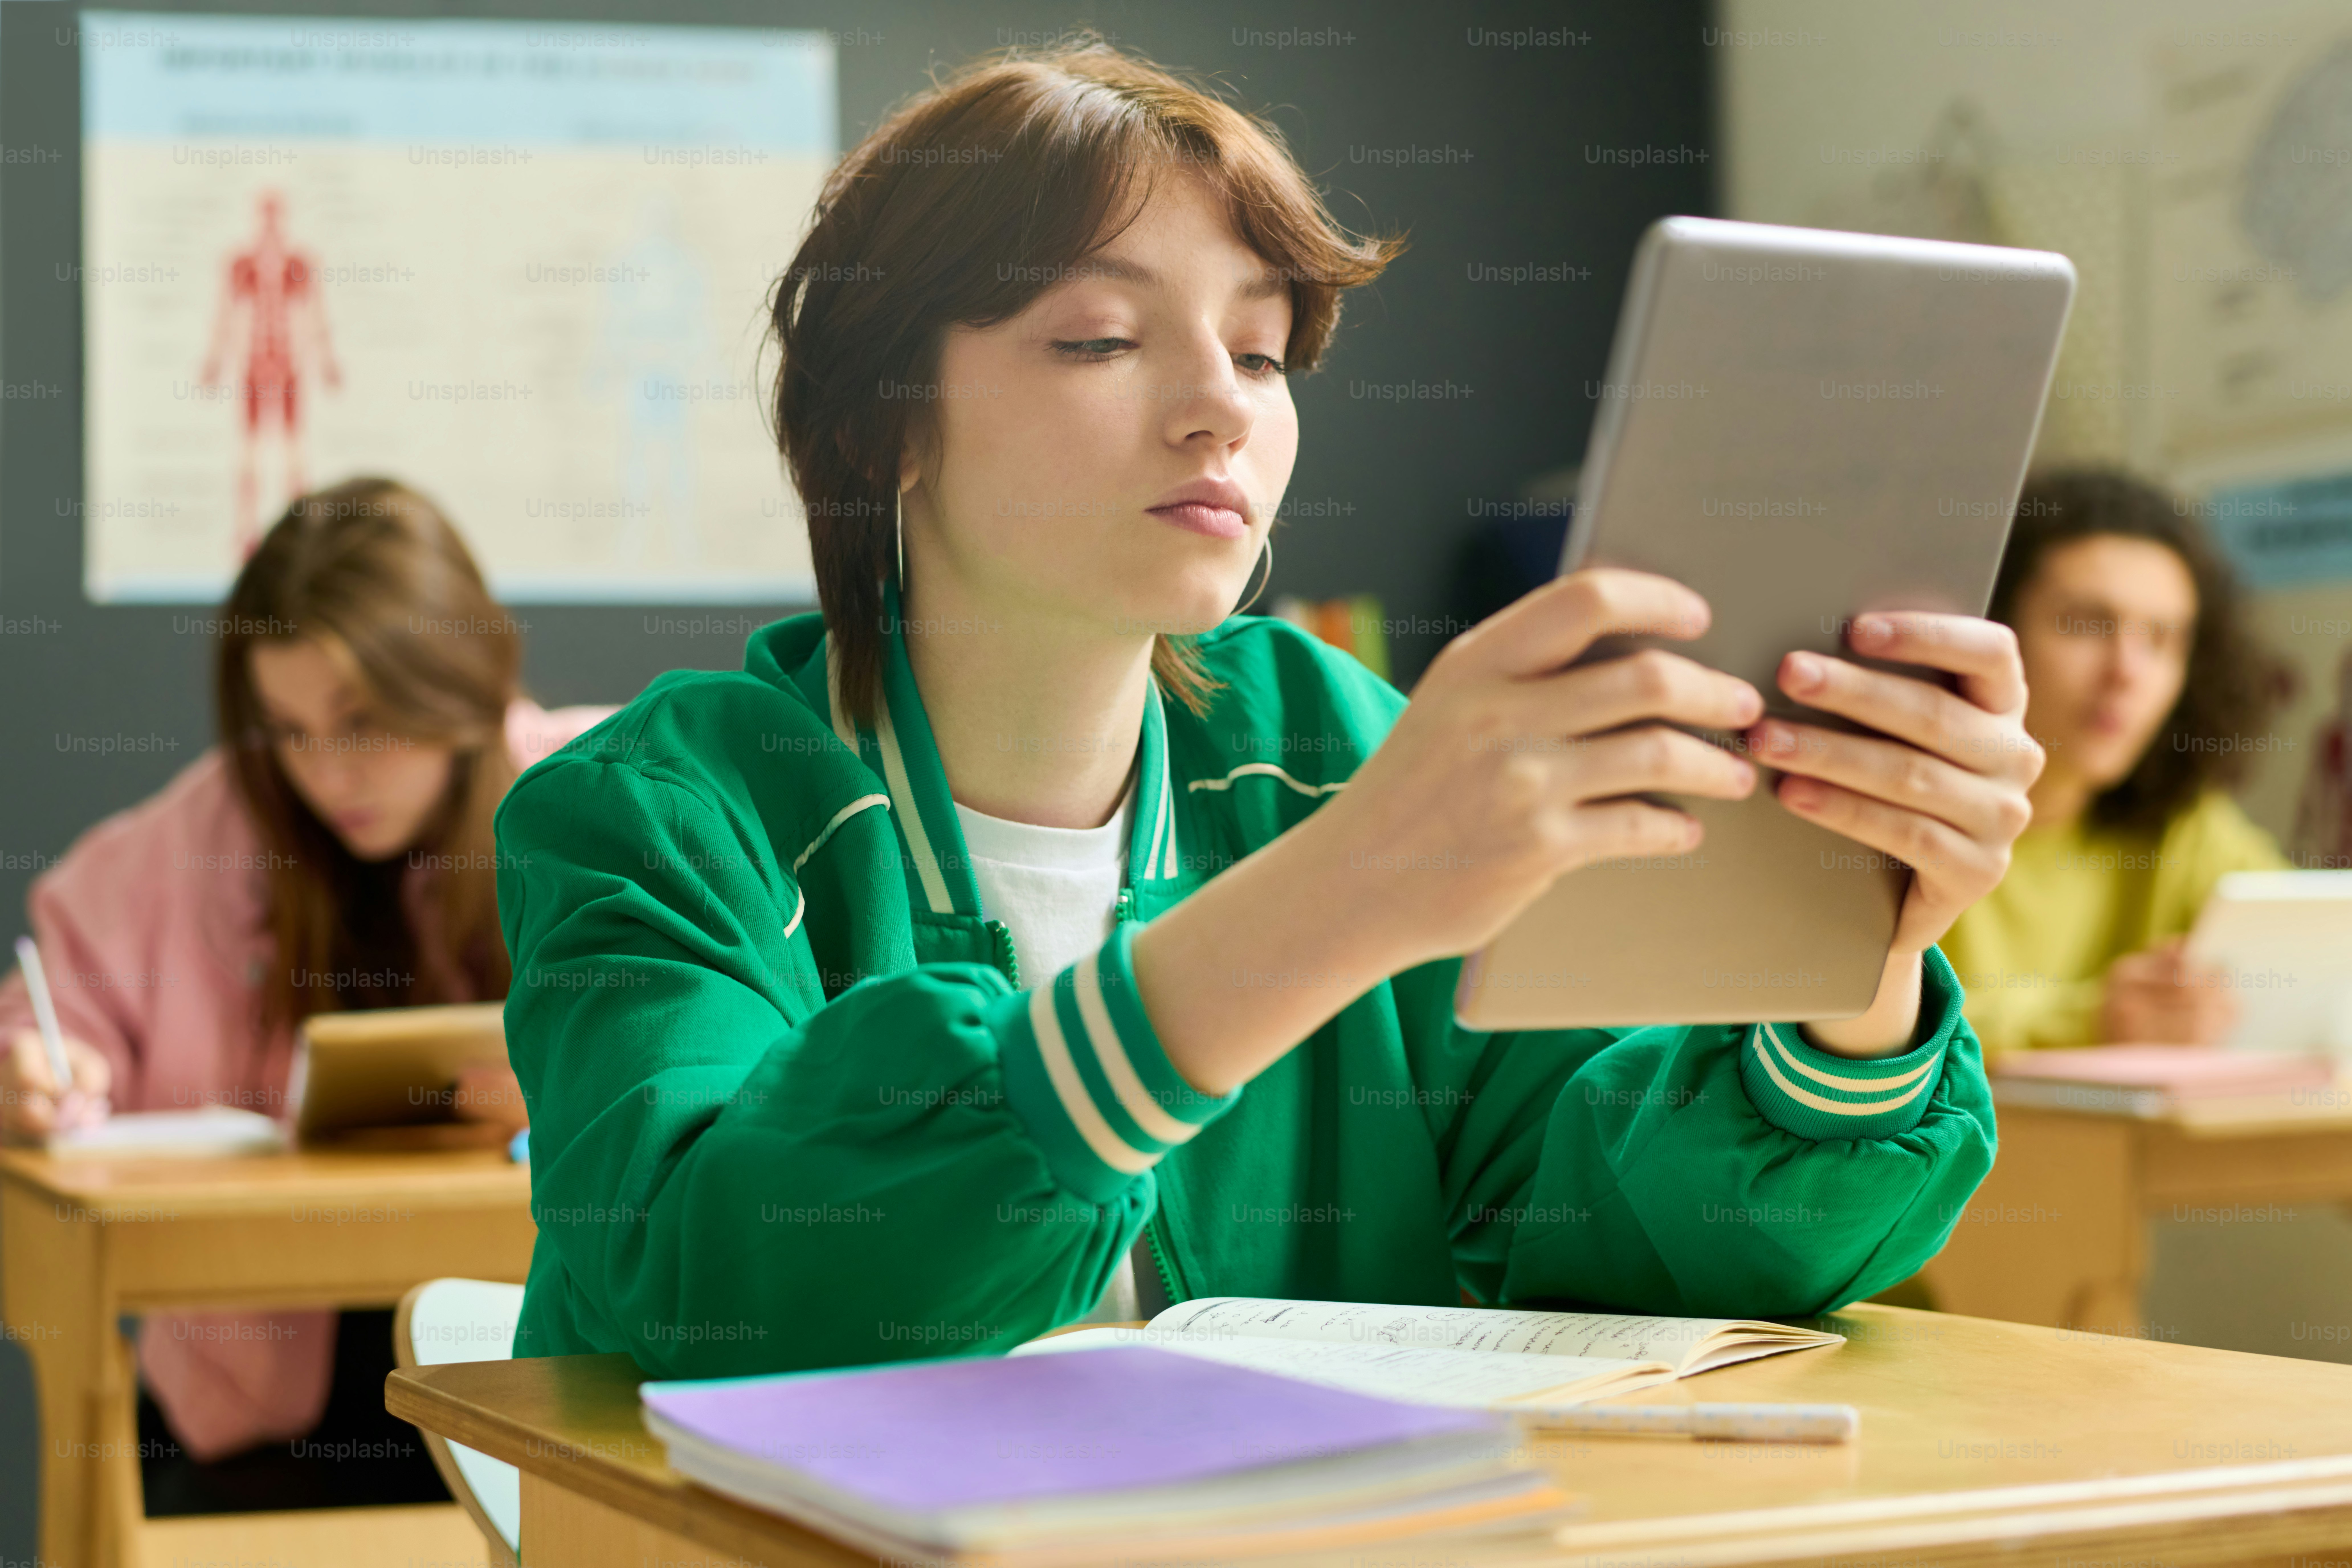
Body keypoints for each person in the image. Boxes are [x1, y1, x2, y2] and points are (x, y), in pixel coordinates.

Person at [496, 42, 2039, 1382]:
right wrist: (1339, 897)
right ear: (881, 423)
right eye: (1100, 337)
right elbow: (726, 1294)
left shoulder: (1328, 741)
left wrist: (1855, 950)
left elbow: (1612, 1254)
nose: (1224, 404)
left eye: (1261, 349)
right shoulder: (659, 813)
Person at [0, 477, 611, 1462]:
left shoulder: (598, 795)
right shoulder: (192, 839)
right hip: (252, 1416)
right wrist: (35, 1069)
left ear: (453, 682)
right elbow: (53, 1019)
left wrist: (554, 1107)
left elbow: (724, 1055)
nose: (328, 773)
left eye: (362, 720)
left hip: (542, 1396)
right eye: (289, 730)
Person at [1939, 469, 2289, 1057]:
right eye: (2086, 625)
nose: (2127, 671)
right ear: (1990, 625)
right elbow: (1857, 1027)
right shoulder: (1902, 808)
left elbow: (2310, 958)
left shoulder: (2186, 827)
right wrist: (2091, 1021)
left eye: (2162, 639)